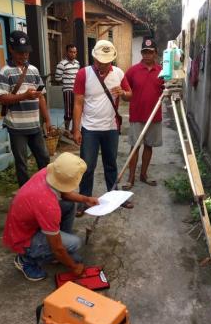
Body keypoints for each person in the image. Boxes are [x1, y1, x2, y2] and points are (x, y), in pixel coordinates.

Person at [3, 152, 99, 281]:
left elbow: (64, 194)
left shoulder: (47, 173)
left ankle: (60, 245)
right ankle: (25, 259)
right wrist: (73, 266)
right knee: (75, 243)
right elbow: (57, 248)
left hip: (28, 224)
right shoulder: (48, 206)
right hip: (22, 238)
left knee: (69, 205)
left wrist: (85, 199)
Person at [73, 40, 133, 216]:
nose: (103, 65)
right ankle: (84, 201)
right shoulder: (83, 74)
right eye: (99, 61)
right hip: (89, 128)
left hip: (111, 127)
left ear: (112, 60)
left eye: (106, 62)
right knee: (87, 166)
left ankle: (115, 197)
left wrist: (123, 93)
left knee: (111, 164)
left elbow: (130, 95)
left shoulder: (119, 73)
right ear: (94, 58)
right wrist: (76, 129)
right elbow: (77, 103)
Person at [0, 30, 51, 187]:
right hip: (16, 127)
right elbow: (0, 98)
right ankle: (25, 196)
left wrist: (47, 120)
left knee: (44, 159)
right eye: (20, 52)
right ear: (11, 49)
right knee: (22, 164)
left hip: (34, 125)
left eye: (27, 52)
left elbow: (41, 96)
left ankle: (44, 190)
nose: (24, 55)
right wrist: (24, 96)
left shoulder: (33, 70)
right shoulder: (5, 71)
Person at [122, 37, 163, 190]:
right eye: (144, 52)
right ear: (141, 53)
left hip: (154, 116)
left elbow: (167, 90)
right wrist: (123, 95)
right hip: (137, 115)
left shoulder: (162, 72)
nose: (147, 55)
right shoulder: (132, 71)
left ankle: (144, 174)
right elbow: (125, 90)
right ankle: (131, 177)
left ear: (155, 53)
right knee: (134, 147)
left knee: (149, 146)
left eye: (150, 52)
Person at [55, 44, 80, 137]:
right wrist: (66, 81)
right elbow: (57, 78)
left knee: (76, 110)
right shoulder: (62, 64)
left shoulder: (77, 63)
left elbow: (78, 76)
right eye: (71, 52)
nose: (73, 54)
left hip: (77, 90)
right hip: (68, 90)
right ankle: (66, 130)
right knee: (68, 111)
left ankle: (74, 129)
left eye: (74, 52)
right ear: (67, 52)